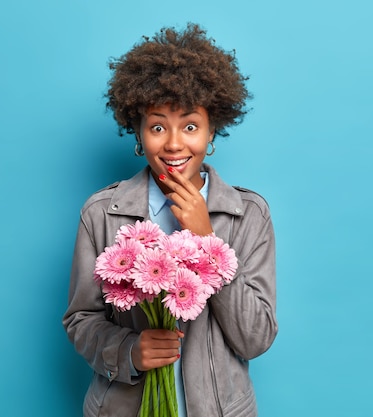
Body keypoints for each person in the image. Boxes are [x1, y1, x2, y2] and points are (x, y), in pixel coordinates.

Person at [62, 23, 277, 417]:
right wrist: (128, 351)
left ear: (213, 130)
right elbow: (81, 318)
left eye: (190, 126)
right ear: (139, 133)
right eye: (158, 126)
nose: (175, 144)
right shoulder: (101, 213)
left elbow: (256, 338)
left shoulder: (249, 215)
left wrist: (208, 239)